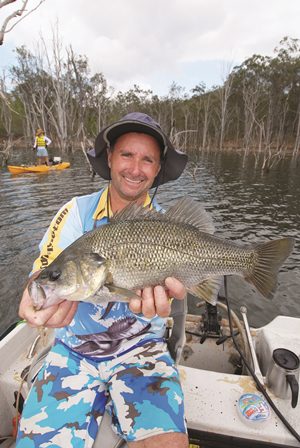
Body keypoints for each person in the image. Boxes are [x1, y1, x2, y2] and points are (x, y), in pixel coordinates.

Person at [17, 112, 189, 448]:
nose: (135, 168)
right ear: (109, 158)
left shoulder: (171, 227)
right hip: (73, 352)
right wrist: (31, 299)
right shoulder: (74, 213)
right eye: (126, 154)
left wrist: (177, 296)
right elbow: (44, 271)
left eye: (147, 159)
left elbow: (181, 289)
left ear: (157, 169)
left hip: (143, 350)